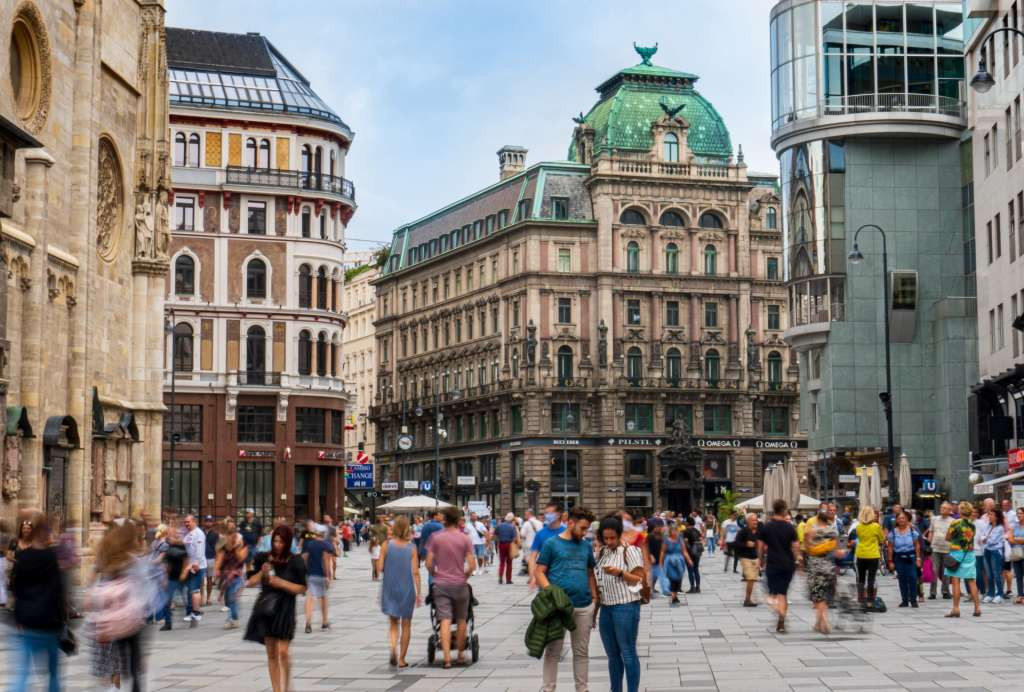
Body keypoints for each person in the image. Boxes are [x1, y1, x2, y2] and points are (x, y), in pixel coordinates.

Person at [535, 506, 598, 692]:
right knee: (553, 652)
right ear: (570, 523)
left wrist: (595, 599)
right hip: (558, 608)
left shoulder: (586, 546)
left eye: (587, 528)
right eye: (583, 528)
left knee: (581, 652)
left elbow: (590, 573)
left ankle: (582, 689)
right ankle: (548, 689)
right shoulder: (551, 544)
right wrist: (551, 592)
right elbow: (539, 572)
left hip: (584, 606)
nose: (585, 532)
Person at [244, 525, 308, 692]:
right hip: (267, 609)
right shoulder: (263, 558)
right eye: (275, 541)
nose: (277, 545)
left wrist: (283, 583)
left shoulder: (296, 561)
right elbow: (249, 583)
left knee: (283, 653)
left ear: (288, 543)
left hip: (286, 609)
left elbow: (302, 588)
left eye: (281, 542)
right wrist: (262, 573)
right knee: (272, 654)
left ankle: (287, 686)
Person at [88, 521, 148, 692]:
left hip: (111, 615)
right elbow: (143, 585)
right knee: (131, 659)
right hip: (129, 615)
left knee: (113, 654)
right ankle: (121, 684)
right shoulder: (132, 558)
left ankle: (114, 686)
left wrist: (93, 596)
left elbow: (95, 579)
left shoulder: (107, 555)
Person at [10, 514, 65, 692]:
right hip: (49, 622)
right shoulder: (51, 557)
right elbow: (58, 590)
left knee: (23, 673)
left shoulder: (24, 557)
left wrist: (18, 618)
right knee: (53, 673)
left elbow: (17, 589)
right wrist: (62, 619)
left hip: (28, 621)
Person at [594, 515, 645, 692]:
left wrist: (620, 573)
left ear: (619, 534)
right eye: (605, 538)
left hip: (626, 606)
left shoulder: (630, 551)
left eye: (612, 538)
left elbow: (639, 579)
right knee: (612, 655)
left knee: (628, 653)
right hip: (606, 608)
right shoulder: (602, 552)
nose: (609, 541)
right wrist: (595, 612)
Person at [425, 507, 477, 669]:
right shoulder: (465, 538)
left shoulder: (435, 537)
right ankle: (460, 655)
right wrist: (464, 576)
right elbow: (472, 564)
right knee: (461, 619)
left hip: (441, 584)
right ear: (458, 520)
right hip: (460, 584)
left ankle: (447, 659)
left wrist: (435, 573)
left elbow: (428, 563)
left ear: (445, 520)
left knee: (445, 620)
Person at [378, 515, 422, 667]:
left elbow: (380, 568)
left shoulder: (386, 545)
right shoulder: (412, 548)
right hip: (407, 589)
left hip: (390, 588)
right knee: (406, 624)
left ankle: (393, 649)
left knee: (393, 622)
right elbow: (415, 572)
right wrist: (419, 592)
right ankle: (402, 659)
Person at [758, 499, 801, 632]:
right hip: (788, 565)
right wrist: (798, 560)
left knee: (771, 594)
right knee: (783, 593)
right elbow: (796, 546)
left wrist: (760, 561)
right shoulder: (790, 527)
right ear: (784, 510)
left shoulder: (767, 527)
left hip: (773, 564)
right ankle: (781, 619)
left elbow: (760, 546)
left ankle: (779, 611)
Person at [804, 505, 844, 634]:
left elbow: (807, 548)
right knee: (826, 596)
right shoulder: (833, 531)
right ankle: (818, 623)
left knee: (818, 597)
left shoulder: (811, 531)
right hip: (829, 567)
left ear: (817, 518)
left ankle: (825, 622)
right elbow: (838, 551)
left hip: (815, 568)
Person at [945, 501, 981, 618]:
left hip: (956, 553)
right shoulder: (972, 525)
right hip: (969, 554)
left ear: (960, 511)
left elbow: (947, 537)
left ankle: (956, 609)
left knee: (955, 581)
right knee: (971, 581)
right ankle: (977, 608)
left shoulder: (956, 523)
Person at [301, 523, 334, 633]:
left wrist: (305, 571)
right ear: (324, 534)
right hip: (321, 575)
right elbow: (326, 560)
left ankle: (308, 624)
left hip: (311, 575)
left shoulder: (309, 544)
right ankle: (324, 623)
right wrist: (328, 576)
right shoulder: (326, 545)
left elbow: (304, 558)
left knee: (310, 598)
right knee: (323, 598)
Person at [215, 524, 248, 629]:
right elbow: (219, 559)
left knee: (233, 597)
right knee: (231, 599)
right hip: (227, 577)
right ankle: (235, 618)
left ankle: (230, 619)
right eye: (228, 535)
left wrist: (236, 548)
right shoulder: (223, 547)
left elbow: (241, 559)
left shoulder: (242, 544)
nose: (229, 537)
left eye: (232, 534)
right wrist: (216, 570)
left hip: (239, 576)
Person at [887, 510, 922, 608]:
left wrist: (918, 558)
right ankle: (904, 600)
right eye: (899, 518)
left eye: (903, 518)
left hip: (911, 558)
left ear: (907, 519)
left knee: (913, 578)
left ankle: (913, 600)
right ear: (896, 520)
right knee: (902, 579)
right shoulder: (893, 533)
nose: (901, 520)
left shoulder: (912, 531)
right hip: (899, 558)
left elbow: (917, 545)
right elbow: (890, 548)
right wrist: (890, 561)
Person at [157, 526, 189, 631]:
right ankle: (168, 623)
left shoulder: (181, 546)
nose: (169, 536)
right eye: (168, 534)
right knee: (167, 601)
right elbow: (167, 564)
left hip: (181, 578)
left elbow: (186, 560)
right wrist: (165, 578)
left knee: (186, 600)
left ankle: (191, 615)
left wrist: (184, 572)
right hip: (171, 578)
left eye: (171, 534)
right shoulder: (168, 547)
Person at [529, 502, 564, 588]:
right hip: (544, 578)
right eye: (546, 513)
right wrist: (532, 576)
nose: (547, 516)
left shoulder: (566, 532)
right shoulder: (540, 534)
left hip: (563, 577)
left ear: (558, 514)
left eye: (550, 513)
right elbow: (532, 557)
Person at [181, 514, 207, 626]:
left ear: (194, 521)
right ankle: (191, 612)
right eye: (185, 522)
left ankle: (196, 613)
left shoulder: (198, 533)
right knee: (190, 590)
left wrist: (196, 563)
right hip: (189, 566)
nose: (186, 524)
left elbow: (199, 550)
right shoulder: (188, 534)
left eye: (188, 522)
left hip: (197, 566)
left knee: (195, 590)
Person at [925, 501, 954, 600]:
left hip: (948, 549)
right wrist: (929, 545)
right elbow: (931, 532)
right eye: (941, 507)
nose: (942, 509)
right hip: (935, 548)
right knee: (934, 570)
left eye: (945, 508)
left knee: (946, 572)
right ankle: (932, 592)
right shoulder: (934, 519)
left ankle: (945, 591)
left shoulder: (953, 521)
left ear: (949, 510)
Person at [980, 506, 1008, 603]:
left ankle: (999, 594)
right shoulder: (987, 526)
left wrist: (985, 539)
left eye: (992, 515)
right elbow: (982, 536)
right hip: (986, 550)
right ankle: (990, 594)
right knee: (989, 574)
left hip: (996, 552)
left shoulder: (1000, 528)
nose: (989, 516)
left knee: (996, 574)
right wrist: (985, 538)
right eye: (989, 515)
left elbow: (992, 541)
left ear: (997, 517)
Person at [734, 513, 760, 607]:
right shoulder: (743, 531)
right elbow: (736, 544)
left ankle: (751, 598)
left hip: (755, 558)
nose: (755, 522)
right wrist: (746, 544)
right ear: (748, 521)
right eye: (753, 520)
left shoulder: (758, 531)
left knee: (753, 580)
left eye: (756, 520)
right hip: (746, 558)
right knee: (751, 578)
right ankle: (747, 600)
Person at [659, 524, 688, 606]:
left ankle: (675, 594)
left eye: (676, 531)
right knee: (672, 579)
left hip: (679, 562)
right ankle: (673, 596)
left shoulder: (680, 540)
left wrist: (689, 560)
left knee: (679, 578)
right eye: (673, 531)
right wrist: (661, 562)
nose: (675, 532)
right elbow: (662, 552)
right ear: (670, 532)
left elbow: (684, 551)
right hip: (670, 562)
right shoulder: (666, 540)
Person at [495, 513, 520, 585]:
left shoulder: (499, 526)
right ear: (512, 519)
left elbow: (495, 535)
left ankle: (500, 577)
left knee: (502, 562)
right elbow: (515, 537)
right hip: (509, 545)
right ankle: (508, 579)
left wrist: (498, 541)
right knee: (509, 563)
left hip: (501, 544)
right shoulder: (512, 527)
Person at [202, 516, 220, 608]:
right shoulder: (200, 532)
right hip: (201, 558)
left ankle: (208, 598)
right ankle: (202, 597)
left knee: (209, 579)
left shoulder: (215, 534)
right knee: (201, 580)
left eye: (210, 521)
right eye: (207, 521)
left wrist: (217, 560)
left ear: (212, 523)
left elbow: (218, 548)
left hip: (211, 558)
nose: (208, 523)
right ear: (204, 522)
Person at [682, 517, 703, 594]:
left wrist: (686, 551)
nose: (684, 523)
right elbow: (700, 539)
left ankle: (692, 587)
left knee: (690, 570)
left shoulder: (686, 531)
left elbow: (685, 542)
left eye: (685, 522)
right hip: (697, 552)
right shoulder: (697, 530)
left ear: (688, 523)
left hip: (690, 552)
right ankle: (698, 587)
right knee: (696, 569)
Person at [1008, 506, 1024, 603]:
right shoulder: (1014, 526)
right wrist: (1020, 540)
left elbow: (1013, 539)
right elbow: (1010, 539)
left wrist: (1016, 539)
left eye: (1021, 513)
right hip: (1016, 553)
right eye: (1017, 513)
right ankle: (1020, 595)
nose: (1019, 515)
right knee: (1018, 575)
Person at [646, 518, 665, 597]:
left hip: (658, 557)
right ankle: (650, 590)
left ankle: (652, 589)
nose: (659, 528)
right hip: (652, 557)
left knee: (655, 576)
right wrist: (650, 555)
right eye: (657, 526)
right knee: (652, 575)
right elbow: (647, 547)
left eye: (660, 526)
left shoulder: (660, 536)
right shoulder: (650, 536)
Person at [369, 515, 389, 581]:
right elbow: (372, 535)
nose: (379, 519)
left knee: (383, 559)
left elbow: (387, 536)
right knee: (376, 560)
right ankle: (376, 574)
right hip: (376, 544)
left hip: (382, 544)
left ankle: (381, 573)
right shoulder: (374, 527)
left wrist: (387, 544)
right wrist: (372, 543)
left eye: (380, 518)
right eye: (378, 518)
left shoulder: (385, 527)